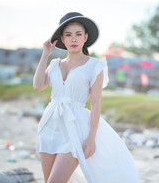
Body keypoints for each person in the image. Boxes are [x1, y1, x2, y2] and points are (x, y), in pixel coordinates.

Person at [33, 12, 140, 183]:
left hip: (75, 128)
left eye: (78, 34)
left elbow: (96, 103)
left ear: (85, 37)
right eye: (68, 34)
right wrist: (45, 54)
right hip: (49, 126)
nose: (73, 39)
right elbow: (38, 86)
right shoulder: (54, 64)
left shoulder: (94, 65)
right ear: (62, 38)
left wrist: (91, 138)